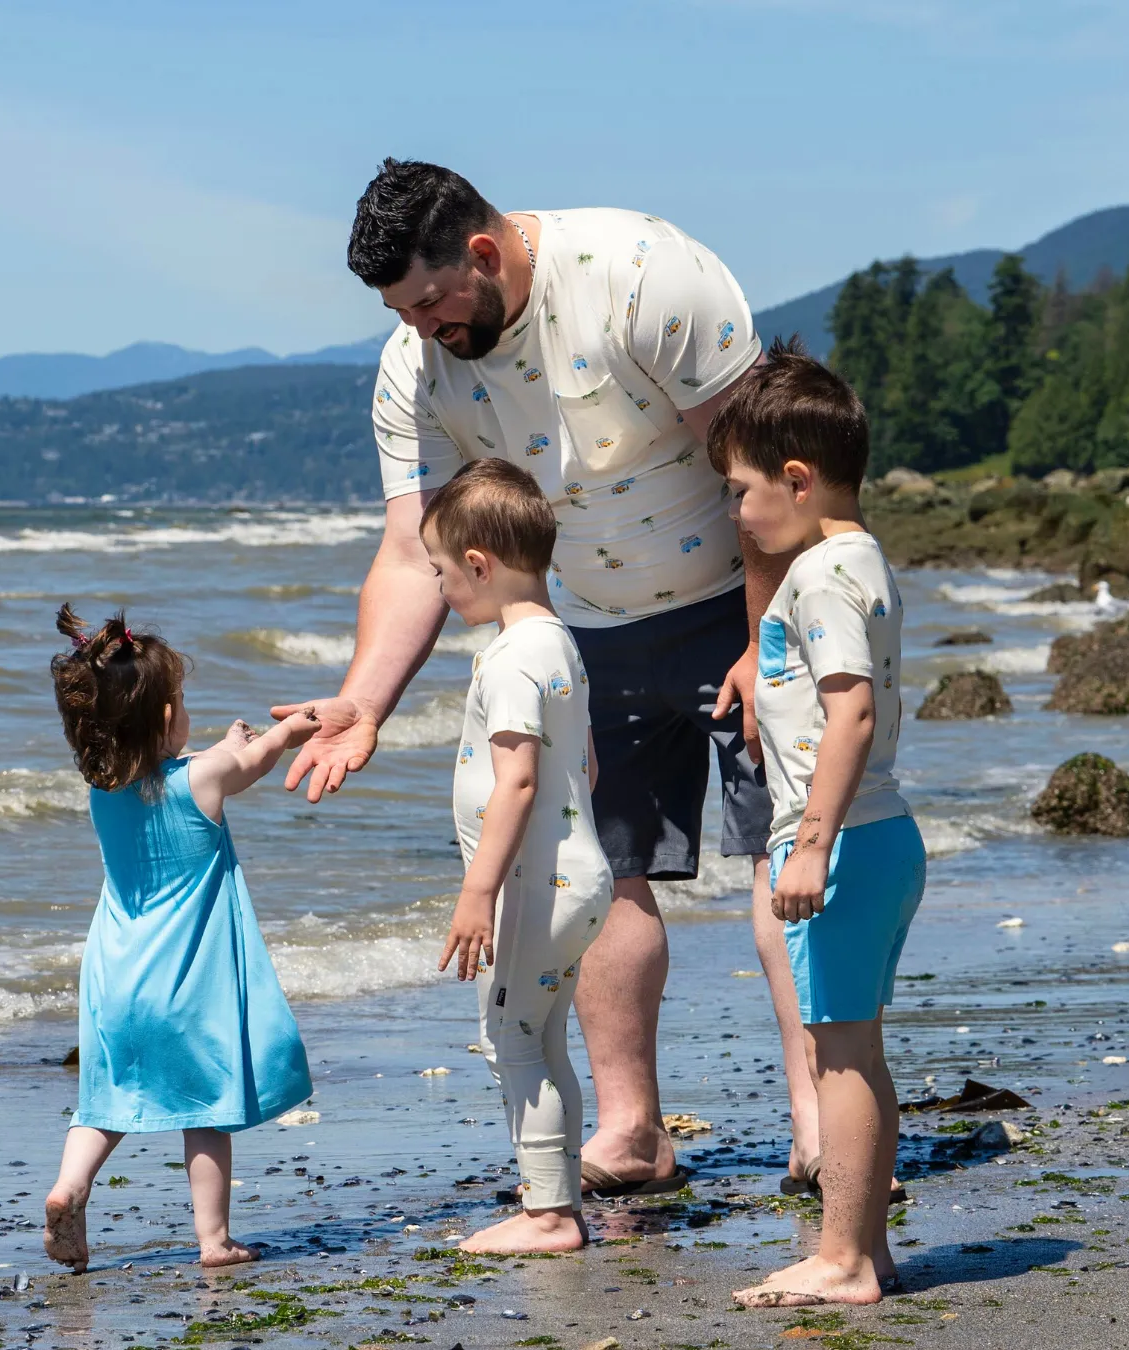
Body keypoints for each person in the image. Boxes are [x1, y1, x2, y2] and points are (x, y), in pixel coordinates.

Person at [273, 158, 810, 1197]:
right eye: (402, 313)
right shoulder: (413, 368)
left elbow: (762, 477)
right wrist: (363, 701)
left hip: (738, 598)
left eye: (431, 302)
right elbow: (408, 552)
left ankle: (819, 1124)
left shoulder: (640, 272)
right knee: (607, 871)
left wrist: (765, 638)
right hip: (587, 629)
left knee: (780, 856)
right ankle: (635, 1131)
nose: (424, 328)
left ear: (483, 252)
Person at [708, 341, 927, 1308]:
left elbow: (852, 713)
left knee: (834, 1051)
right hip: (883, 836)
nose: (734, 512)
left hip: (844, 842)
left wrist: (807, 844)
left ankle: (840, 1258)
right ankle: (865, 1250)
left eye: (739, 490)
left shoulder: (820, 576)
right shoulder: (858, 555)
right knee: (854, 1050)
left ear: (796, 482)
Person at [43, 605, 318, 1272]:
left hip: (114, 976)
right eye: (182, 700)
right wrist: (289, 730)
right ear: (165, 717)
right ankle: (214, 1240)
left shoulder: (103, 790)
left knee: (104, 1101)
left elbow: (200, 767)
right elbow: (248, 764)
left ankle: (69, 1188)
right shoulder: (204, 779)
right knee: (206, 1108)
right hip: (185, 982)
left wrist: (224, 745)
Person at [422, 459, 613, 1253]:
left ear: (479, 563)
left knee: (513, 1038)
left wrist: (478, 890)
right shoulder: (558, 643)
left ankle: (547, 1216)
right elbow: (588, 767)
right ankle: (556, 1198)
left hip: (538, 884)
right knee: (543, 1036)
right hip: (579, 875)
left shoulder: (507, 658)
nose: (439, 591)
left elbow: (519, 782)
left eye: (440, 573)